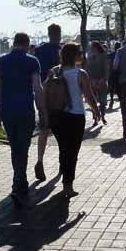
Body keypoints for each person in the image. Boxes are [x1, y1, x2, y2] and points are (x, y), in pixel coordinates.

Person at [0, 32, 46, 207]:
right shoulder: (32, 61)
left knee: (14, 146)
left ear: (14, 43)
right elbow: (37, 88)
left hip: (8, 110)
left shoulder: (2, 61)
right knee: (23, 147)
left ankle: (19, 181)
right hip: (25, 109)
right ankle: (19, 184)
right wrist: (42, 111)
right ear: (26, 44)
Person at [49, 43, 100, 198]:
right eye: (80, 52)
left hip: (57, 115)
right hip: (76, 115)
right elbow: (89, 95)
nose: (82, 55)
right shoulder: (80, 73)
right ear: (74, 55)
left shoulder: (54, 71)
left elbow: (47, 92)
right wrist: (97, 111)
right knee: (72, 152)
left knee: (63, 148)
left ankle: (64, 174)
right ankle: (67, 186)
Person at [32, 24, 62, 181]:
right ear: (58, 33)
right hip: (60, 95)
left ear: (48, 33)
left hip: (44, 93)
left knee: (44, 129)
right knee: (62, 132)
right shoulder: (62, 50)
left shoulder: (39, 50)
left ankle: (40, 160)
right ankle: (62, 163)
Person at [84, 41, 110, 125]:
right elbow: (86, 70)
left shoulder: (103, 56)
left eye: (93, 47)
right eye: (91, 47)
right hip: (92, 82)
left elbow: (106, 69)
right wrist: (90, 80)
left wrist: (103, 79)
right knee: (92, 101)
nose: (92, 49)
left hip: (101, 81)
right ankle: (95, 117)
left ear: (97, 47)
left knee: (102, 101)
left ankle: (102, 116)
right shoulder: (89, 57)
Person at [107, 41, 121, 111]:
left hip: (112, 73)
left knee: (111, 88)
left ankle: (112, 100)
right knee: (118, 88)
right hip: (119, 73)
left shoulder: (111, 54)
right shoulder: (121, 54)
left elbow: (108, 64)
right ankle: (120, 100)